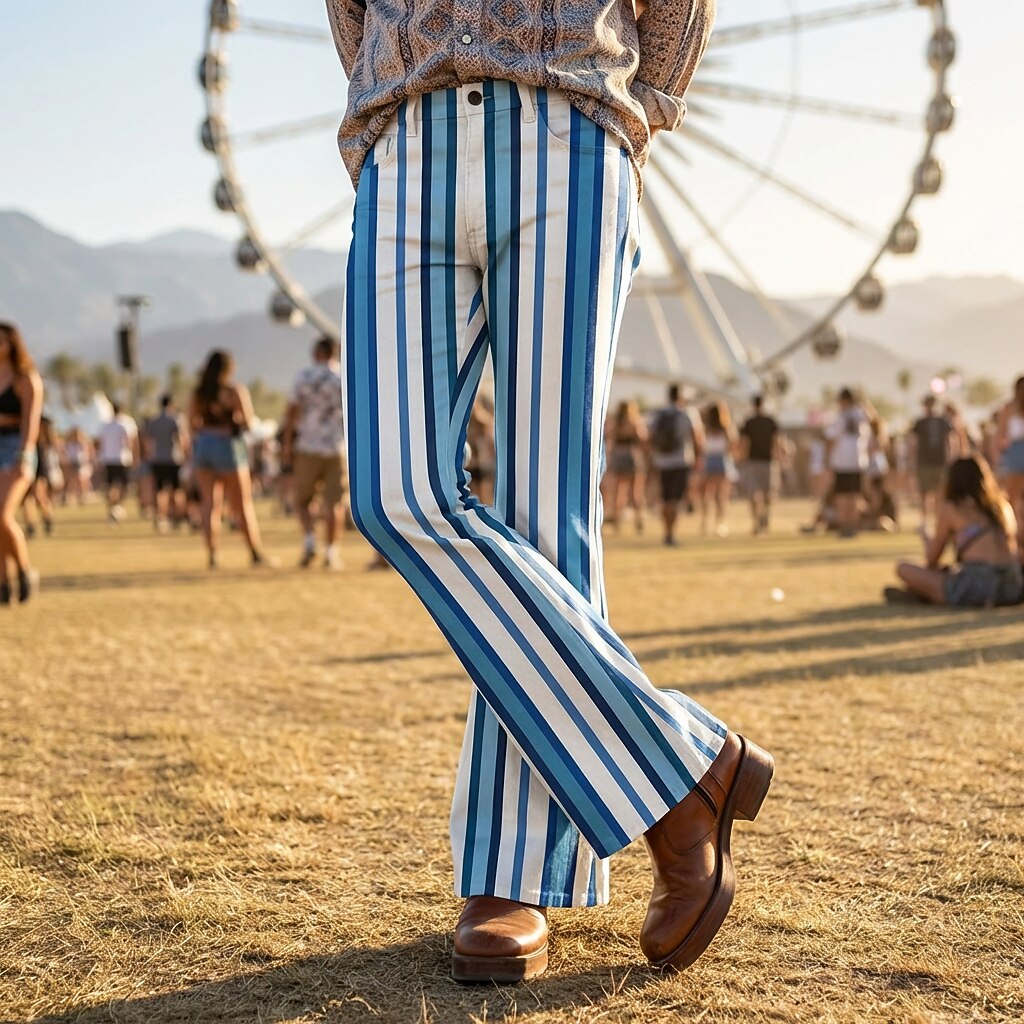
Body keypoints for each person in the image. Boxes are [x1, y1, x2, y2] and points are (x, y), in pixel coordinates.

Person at [327, 0, 773, 983]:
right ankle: (682, 770)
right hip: (407, 136)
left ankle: (513, 870)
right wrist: (380, 88)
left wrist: (642, 106)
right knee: (394, 494)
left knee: (545, 514)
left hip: (568, 128)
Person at [886, 455, 1021, 607]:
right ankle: (925, 594)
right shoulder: (1002, 506)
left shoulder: (952, 508)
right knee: (946, 573)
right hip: (1012, 583)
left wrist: (927, 539)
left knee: (903, 568)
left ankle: (924, 594)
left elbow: (932, 560)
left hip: (976, 584)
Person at [189, 350, 271, 569]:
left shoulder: (199, 393)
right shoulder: (234, 391)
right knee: (242, 503)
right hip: (228, 446)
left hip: (204, 446)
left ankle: (213, 554)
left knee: (210, 504)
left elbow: (191, 425)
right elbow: (249, 422)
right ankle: (255, 552)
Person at [282, 336, 348, 569]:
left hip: (307, 447)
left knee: (302, 500)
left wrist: (287, 445)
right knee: (334, 503)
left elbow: (291, 413)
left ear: (316, 353)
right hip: (336, 447)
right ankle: (331, 552)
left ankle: (310, 540)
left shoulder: (303, 377)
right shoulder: (343, 377)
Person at [0, 323, 43, 603]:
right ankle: (4, 583)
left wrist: (25, 455)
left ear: (12, 344)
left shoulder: (26, 377)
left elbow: (31, 420)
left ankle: (25, 570)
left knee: (2, 515)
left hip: (16, 448)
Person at [649, 384, 703, 546]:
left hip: (662, 461)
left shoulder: (659, 414)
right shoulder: (687, 413)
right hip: (681, 461)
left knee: (665, 498)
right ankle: (671, 533)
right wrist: (698, 457)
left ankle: (666, 531)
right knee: (676, 499)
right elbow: (697, 437)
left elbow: (650, 436)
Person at [825, 388, 871, 538]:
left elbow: (831, 439)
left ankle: (845, 524)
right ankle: (852, 525)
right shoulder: (861, 415)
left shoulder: (841, 417)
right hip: (858, 461)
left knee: (843, 496)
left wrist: (827, 459)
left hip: (842, 462)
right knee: (854, 495)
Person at [909, 395, 956, 531]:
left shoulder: (943, 422)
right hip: (924, 461)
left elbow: (950, 441)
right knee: (924, 493)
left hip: (940, 462)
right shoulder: (920, 423)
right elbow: (914, 443)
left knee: (940, 494)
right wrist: (912, 461)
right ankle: (924, 522)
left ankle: (938, 521)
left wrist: (951, 458)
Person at [145, 394, 189, 531]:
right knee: (177, 490)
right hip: (173, 459)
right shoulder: (175, 419)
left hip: (158, 459)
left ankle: (160, 518)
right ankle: (178, 517)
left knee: (159, 491)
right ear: (171, 404)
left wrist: (150, 456)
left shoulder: (154, 421)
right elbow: (180, 438)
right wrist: (186, 455)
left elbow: (148, 441)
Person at [606, 400, 648, 535]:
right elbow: (643, 437)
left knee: (619, 491)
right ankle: (638, 520)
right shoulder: (635, 422)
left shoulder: (616, 423)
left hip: (618, 456)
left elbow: (610, 439)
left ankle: (616, 521)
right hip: (632, 455)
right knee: (636, 491)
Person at [739, 395, 780, 535]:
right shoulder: (770, 421)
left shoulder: (749, 422)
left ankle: (756, 521)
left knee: (753, 492)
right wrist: (777, 457)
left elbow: (745, 442)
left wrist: (742, 459)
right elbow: (776, 441)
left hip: (753, 461)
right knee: (767, 491)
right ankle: (764, 517)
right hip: (767, 461)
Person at [995, 376, 1024, 562]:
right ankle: (1013, 537)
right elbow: (1001, 434)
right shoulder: (1009, 408)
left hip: (1015, 452)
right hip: (1014, 453)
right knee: (1012, 499)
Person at [96, 402, 139, 523]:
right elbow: (130, 441)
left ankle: (112, 509)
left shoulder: (105, 425)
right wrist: (135, 456)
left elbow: (100, 443)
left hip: (108, 459)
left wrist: (99, 458)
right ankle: (117, 506)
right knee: (123, 485)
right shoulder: (126, 422)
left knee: (110, 486)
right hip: (122, 459)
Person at [700, 401, 737, 537]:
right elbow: (732, 445)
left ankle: (704, 521)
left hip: (708, 460)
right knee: (720, 495)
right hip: (721, 461)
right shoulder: (726, 428)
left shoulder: (706, 429)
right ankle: (719, 523)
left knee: (707, 494)